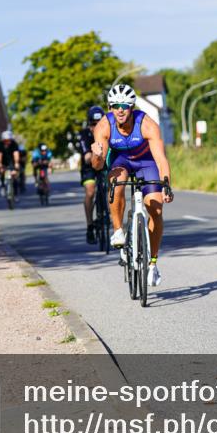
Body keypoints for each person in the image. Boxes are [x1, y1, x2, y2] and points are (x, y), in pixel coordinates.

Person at [90, 84, 173, 287]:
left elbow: (161, 159)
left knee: (155, 208)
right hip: (122, 161)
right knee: (116, 184)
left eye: (125, 106)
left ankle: (152, 263)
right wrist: (97, 155)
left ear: (132, 107)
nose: (120, 109)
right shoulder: (103, 126)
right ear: (110, 107)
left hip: (146, 161)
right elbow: (97, 166)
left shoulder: (147, 124)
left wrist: (166, 185)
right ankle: (118, 230)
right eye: (116, 105)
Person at [77, 106, 105, 244]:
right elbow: (87, 157)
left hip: (104, 165)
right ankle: (89, 225)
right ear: (88, 124)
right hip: (89, 167)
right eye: (93, 124)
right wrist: (97, 153)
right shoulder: (84, 135)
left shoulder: (108, 133)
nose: (96, 127)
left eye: (99, 124)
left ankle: (106, 211)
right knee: (90, 192)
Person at [0, 131, 21, 199]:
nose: (8, 142)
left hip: (11, 161)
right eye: (6, 140)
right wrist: (0, 164)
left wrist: (16, 163)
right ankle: (3, 186)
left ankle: (15, 193)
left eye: (9, 140)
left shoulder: (14, 144)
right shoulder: (0, 144)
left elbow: (16, 154)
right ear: (3, 140)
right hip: (3, 161)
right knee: (2, 172)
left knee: (14, 175)